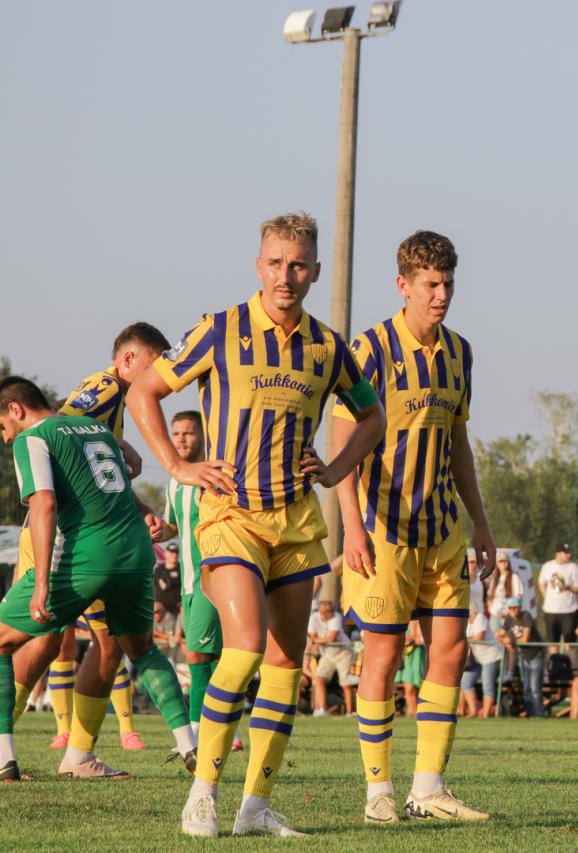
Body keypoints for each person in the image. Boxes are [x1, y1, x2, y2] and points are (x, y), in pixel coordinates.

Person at [127, 212, 386, 837]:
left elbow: (373, 417)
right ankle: (202, 794)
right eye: (275, 263)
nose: (285, 275)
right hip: (230, 514)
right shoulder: (219, 329)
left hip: (295, 521)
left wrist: (335, 470)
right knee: (243, 648)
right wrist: (177, 466)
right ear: (258, 266)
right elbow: (142, 391)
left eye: (297, 265)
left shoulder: (328, 347)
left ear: (315, 271)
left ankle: (255, 807)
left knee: (284, 662)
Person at [331, 230, 495, 824]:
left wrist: (480, 524)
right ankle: (378, 791)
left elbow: (459, 443)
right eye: (431, 284)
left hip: (443, 530)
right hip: (384, 530)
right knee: (383, 654)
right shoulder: (370, 348)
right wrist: (351, 528)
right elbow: (342, 441)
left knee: (450, 650)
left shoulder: (460, 353)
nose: (441, 294)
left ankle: (428, 789)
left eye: (448, 283)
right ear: (403, 284)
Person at [0, 377, 195, 783]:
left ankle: (3, 758)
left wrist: (41, 582)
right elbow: (123, 478)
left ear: (15, 410)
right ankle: (189, 744)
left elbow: (45, 504)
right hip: (137, 553)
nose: (5, 437)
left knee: (3, 641)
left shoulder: (32, 438)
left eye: (2, 426)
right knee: (141, 650)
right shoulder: (96, 427)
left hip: (86, 558)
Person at [8, 322, 171, 754]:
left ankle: (79, 755)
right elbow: (59, 427)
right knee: (41, 638)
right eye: (156, 364)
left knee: (107, 644)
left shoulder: (118, 400)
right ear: (129, 359)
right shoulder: (105, 386)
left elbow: (97, 474)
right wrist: (123, 449)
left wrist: (141, 507)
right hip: (63, 534)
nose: (163, 376)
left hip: (91, 538)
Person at [159, 410, 238, 749]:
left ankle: (197, 734)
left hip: (213, 578)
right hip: (189, 583)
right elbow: (172, 525)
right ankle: (225, 730)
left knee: (198, 656)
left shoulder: (218, 475)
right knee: (214, 656)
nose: (180, 439)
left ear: (203, 436)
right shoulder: (175, 479)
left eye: (188, 433)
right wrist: (155, 529)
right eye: (176, 433)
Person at [496, 596, 545, 718]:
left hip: (535, 654)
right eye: (510, 608)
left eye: (515, 608)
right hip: (523, 656)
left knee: (535, 688)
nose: (513, 610)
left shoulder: (526, 616)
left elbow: (525, 639)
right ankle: (530, 714)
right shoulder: (509, 619)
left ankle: (539, 715)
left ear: (520, 608)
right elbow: (499, 634)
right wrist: (506, 642)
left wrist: (510, 640)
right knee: (526, 688)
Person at [307, 600, 354, 716]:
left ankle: (349, 712)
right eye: (329, 611)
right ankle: (323, 710)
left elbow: (332, 637)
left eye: (332, 611)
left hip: (343, 652)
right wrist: (318, 639)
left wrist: (317, 640)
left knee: (345, 682)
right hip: (327, 654)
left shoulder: (336, 616)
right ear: (322, 612)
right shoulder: (313, 618)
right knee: (319, 679)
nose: (332, 613)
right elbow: (312, 636)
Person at [539, 544, 578, 655]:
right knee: (553, 643)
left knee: (570, 643)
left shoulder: (573, 567)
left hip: (569, 610)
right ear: (558, 554)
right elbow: (541, 583)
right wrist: (546, 597)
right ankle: (554, 664)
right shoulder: (548, 566)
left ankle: (571, 664)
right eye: (566, 553)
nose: (569, 555)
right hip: (551, 610)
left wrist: (567, 588)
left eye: (569, 553)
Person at [465, 602, 502, 719]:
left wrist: (466, 640)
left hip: (490, 657)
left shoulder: (480, 617)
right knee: (465, 682)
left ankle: (485, 715)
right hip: (477, 658)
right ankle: (473, 711)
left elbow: (480, 636)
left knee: (487, 685)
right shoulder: (466, 622)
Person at [394, 621, 425, 715]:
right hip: (405, 656)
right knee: (408, 687)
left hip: (416, 656)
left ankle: (414, 712)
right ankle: (411, 711)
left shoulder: (418, 620)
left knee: (413, 687)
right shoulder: (403, 620)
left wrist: (409, 639)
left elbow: (420, 639)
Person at [486, 554, 526, 621]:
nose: (503, 563)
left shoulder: (514, 577)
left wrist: (510, 611)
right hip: (495, 614)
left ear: (508, 563)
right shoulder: (495, 579)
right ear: (497, 564)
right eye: (500, 561)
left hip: (508, 614)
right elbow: (489, 596)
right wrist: (490, 609)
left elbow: (519, 596)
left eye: (505, 561)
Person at [155, 545, 183, 616]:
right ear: (165, 554)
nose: (174, 555)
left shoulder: (182, 570)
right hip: (160, 613)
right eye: (171, 553)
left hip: (176, 612)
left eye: (176, 553)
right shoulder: (159, 570)